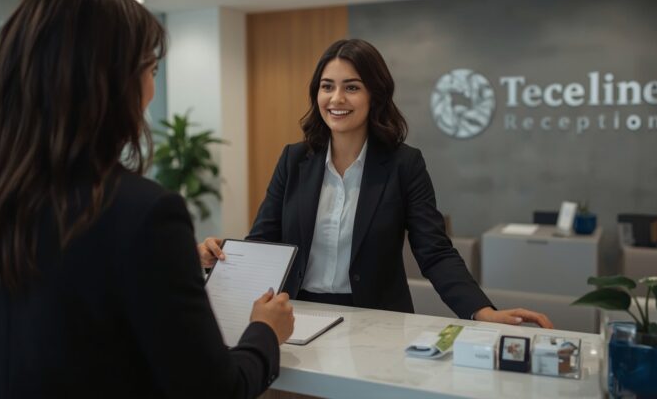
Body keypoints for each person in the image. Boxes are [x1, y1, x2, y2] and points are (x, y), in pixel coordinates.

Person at [0, 0, 293, 398]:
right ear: (108, 82)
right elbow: (214, 390)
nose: (151, 90)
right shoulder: (143, 212)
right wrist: (264, 332)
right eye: (150, 70)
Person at [199, 39, 553, 328]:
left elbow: (435, 251)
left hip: (378, 319)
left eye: (351, 87)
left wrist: (481, 311)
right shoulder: (295, 159)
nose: (336, 99)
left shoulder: (404, 164)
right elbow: (263, 241)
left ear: (375, 95)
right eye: (327, 87)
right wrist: (222, 255)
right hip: (297, 315)